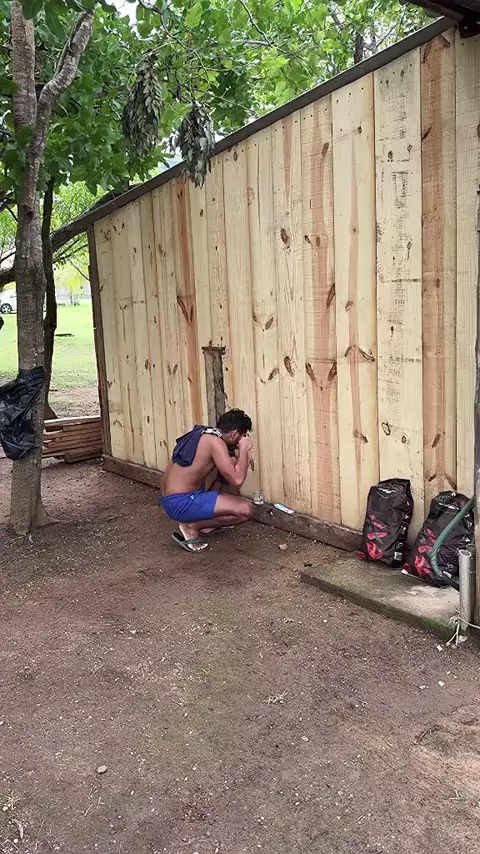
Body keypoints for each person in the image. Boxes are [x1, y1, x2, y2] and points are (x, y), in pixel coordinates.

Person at [160, 409, 254, 553]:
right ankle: (192, 527)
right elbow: (237, 480)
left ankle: (205, 524)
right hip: (180, 502)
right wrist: (244, 450)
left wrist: (236, 457)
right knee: (245, 510)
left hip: (169, 498)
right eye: (240, 438)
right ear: (234, 434)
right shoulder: (215, 443)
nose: (238, 443)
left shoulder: (204, 433)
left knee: (228, 463)